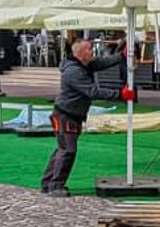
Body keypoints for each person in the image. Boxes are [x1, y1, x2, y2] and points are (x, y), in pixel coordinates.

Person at [40, 38, 135, 197]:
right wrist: (120, 94)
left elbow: (103, 62)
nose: (93, 52)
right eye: (90, 49)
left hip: (70, 114)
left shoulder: (83, 65)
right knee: (68, 150)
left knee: (62, 149)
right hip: (66, 115)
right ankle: (55, 186)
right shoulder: (74, 72)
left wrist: (121, 56)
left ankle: (48, 183)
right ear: (81, 53)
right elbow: (93, 91)